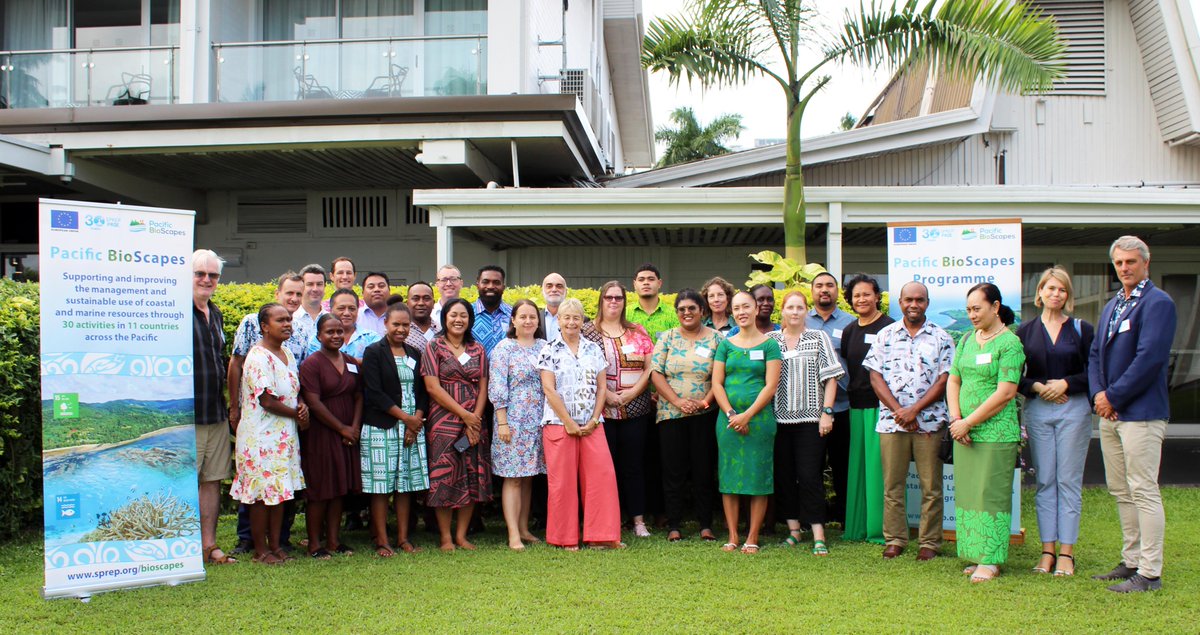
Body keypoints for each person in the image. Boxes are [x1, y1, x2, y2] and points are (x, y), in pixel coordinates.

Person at [1089, 236, 1176, 593]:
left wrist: (1113, 396)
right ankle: (1132, 561)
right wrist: (1098, 394)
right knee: (1121, 489)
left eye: (1131, 262)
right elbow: (1096, 354)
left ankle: (1150, 573)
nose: (1124, 268)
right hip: (1110, 414)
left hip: (1140, 412)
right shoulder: (1113, 305)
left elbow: (1150, 359)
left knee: (1143, 489)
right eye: (1119, 263)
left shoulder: (1158, 303)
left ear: (1145, 262)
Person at [864, 281, 954, 561]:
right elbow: (875, 376)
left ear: (927, 303)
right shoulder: (885, 335)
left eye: (920, 300)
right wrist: (899, 411)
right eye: (908, 300)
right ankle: (895, 539)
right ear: (900, 302)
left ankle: (929, 542)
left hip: (929, 423)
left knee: (931, 486)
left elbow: (944, 380)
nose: (914, 304)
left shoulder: (942, 338)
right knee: (893, 485)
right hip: (892, 423)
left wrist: (914, 410)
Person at [1017, 267, 1095, 577]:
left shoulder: (1081, 329)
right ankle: (1047, 550)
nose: (1056, 294)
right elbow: (1013, 377)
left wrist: (1065, 384)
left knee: (1068, 481)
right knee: (1046, 480)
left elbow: (1094, 371)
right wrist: (1036, 387)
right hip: (1038, 410)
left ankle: (1067, 552)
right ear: (1039, 294)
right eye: (1050, 288)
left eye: (1061, 289)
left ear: (1068, 295)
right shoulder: (1024, 332)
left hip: (1073, 409)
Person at [228, 271, 311, 555]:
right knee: (262, 496)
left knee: (280, 492)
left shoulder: (287, 354)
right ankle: (260, 549)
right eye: (280, 320)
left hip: (284, 435)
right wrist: (295, 413)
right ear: (264, 326)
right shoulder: (257, 356)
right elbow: (266, 400)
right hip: (261, 435)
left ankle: (276, 545)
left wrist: (301, 407)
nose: (287, 324)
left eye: (289, 320)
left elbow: (291, 391)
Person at [947, 283, 1025, 583]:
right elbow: (954, 380)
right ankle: (977, 554)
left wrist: (970, 422)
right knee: (969, 495)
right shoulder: (967, 339)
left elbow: (1006, 392)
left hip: (996, 433)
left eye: (977, 308)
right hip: (964, 431)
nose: (971, 315)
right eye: (968, 310)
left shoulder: (1009, 344)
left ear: (995, 307)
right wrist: (957, 419)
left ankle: (991, 560)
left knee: (990, 495)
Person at [537, 298, 623, 550]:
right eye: (566, 317)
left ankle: (602, 536)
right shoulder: (548, 350)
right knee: (562, 483)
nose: (571, 322)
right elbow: (548, 389)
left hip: (592, 424)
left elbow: (601, 388)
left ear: (582, 321)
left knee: (602, 478)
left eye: (576, 317)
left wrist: (595, 418)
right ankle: (564, 539)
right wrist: (568, 422)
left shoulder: (593, 350)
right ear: (559, 321)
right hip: (558, 424)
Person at [769, 291, 844, 555]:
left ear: (806, 311)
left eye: (800, 307)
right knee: (784, 476)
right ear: (783, 311)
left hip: (811, 419)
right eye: (790, 307)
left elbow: (831, 378)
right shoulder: (771, 340)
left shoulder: (818, 337)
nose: (795, 312)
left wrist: (827, 411)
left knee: (810, 476)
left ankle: (818, 534)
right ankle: (793, 531)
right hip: (777, 420)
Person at [582, 281, 656, 537]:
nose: (613, 302)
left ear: (625, 302)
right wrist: (608, 396)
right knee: (603, 468)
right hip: (600, 412)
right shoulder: (586, 332)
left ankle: (637, 520)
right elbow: (581, 370)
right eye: (609, 297)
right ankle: (608, 521)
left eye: (619, 298)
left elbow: (651, 366)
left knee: (634, 466)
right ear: (601, 301)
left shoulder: (637, 330)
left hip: (635, 410)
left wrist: (634, 393)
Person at [712, 291, 781, 554]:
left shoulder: (769, 344)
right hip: (727, 421)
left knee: (758, 477)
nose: (741, 312)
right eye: (737, 308)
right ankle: (732, 535)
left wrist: (747, 415)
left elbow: (771, 385)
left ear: (755, 310)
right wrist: (731, 414)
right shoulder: (726, 345)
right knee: (729, 476)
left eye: (746, 307)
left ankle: (752, 536)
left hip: (759, 421)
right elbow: (717, 383)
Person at [651, 289, 722, 542]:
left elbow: (720, 377)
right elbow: (656, 373)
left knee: (704, 470)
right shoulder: (667, 338)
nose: (687, 313)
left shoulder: (716, 339)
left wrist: (704, 402)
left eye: (692, 308)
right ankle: (674, 525)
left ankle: (705, 525)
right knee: (673, 471)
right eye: (681, 309)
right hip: (671, 414)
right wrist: (678, 401)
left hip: (705, 413)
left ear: (702, 311)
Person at [421, 298, 491, 551]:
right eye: (453, 315)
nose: (458, 319)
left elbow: (484, 386)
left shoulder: (477, 349)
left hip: (474, 423)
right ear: (445, 318)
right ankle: (445, 537)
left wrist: (475, 419)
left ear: (470, 319)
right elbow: (432, 387)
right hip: (444, 422)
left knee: (471, 477)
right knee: (445, 477)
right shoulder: (434, 346)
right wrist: (464, 414)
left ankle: (461, 535)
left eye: (463, 315)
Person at [361, 303, 430, 556]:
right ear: (385, 324)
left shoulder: (414, 353)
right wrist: (406, 419)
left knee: (406, 486)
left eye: (405, 325)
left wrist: (416, 420)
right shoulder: (374, 352)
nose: (401, 329)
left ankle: (403, 538)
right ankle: (382, 540)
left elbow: (422, 391)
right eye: (396, 324)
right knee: (381, 487)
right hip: (382, 427)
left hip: (412, 427)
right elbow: (374, 393)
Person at [298, 314, 363, 558]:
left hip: (348, 432)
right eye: (330, 332)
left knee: (339, 488)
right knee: (320, 489)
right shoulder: (311, 364)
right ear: (319, 336)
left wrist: (353, 427)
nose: (336, 336)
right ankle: (315, 544)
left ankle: (335, 541)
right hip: (322, 433)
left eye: (339, 332)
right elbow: (313, 402)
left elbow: (358, 395)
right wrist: (341, 428)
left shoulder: (350, 362)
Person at [488, 299, 548, 550]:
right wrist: (502, 422)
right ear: (513, 320)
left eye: (532, 316)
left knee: (528, 477)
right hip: (512, 420)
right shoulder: (505, 348)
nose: (527, 321)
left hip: (538, 421)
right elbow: (497, 386)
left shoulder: (545, 347)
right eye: (522, 316)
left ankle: (524, 528)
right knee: (512, 478)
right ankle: (512, 532)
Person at [840, 274, 894, 544]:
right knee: (858, 469)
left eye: (866, 294)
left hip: (881, 408)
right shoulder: (850, 330)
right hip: (855, 407)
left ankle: (878, 530)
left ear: (877, 297)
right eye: (856, 295)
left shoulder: (889, 327)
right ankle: (857, 527)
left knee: (877, 471)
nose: (861, 299)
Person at [191, 249, 236, 565]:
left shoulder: (215, 313)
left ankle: (209, 545)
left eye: (213, 275)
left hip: (215, 411)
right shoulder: (173, 313)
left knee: (212, 479)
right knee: (184, 480)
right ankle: (184, 546)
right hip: (184, 415)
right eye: (200, 274)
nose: (207, 280)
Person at [808, 271, 854, 525]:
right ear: (812, 291)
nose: (824, 290)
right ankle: (815, 516)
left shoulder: (851, 323)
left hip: (843, 405)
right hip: (811, 409)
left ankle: (844, 515)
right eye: (819, 286)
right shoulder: (801, 321)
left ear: (837, 291)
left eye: (829, 285)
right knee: (811, 467)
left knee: (842, 464)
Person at [309, 289, 380, 359]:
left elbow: (377, 364)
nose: (347, 313)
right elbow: (318, 364)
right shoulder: (318, 339)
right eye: (341, 308)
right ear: (331, 310)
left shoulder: (371, 338)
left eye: (352, 309)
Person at [627, 263, 679, 343]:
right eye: (641, 279)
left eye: (651, 279)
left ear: (659, 283)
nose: (646, 283)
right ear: (634, 284)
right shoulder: (625, 314)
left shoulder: (674, 314)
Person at [473, 265, 512, 356]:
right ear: (478, 285)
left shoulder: (514, 314)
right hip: (474, 369)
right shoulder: (467, 313)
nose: (490, 286)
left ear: (503, 287)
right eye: (485, 282)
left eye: (496, 282)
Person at [295, 263, 329, 337]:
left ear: (324, 286)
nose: (315, 289)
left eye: (319, 284)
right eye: (310, 284)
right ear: (301, 286)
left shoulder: (330, 319)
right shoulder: (291, 318)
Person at [357, 271, 391, 336]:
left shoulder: (399, 316)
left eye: (381, 286)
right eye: (371, 287)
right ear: (362, 293)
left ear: (389, 291)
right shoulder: (355, 317)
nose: (376, 289)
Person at [405, 281, 439, 346]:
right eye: (416, 299)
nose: (421, 303)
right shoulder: (398, 331)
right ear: (407, 303)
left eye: (426, 299)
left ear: (433, 303)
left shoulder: (441, 330)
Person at [430, 263, 464, 328]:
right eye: (444, 280)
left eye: (453, 279)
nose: (448, 284)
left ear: (461, 283)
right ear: (437, 285)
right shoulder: (430, 313)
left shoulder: (469, 311)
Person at [541, 272, 568, 341]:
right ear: (542, 291)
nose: (554, 290)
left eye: (559, 286)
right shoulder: (535, 318)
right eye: (549, 286)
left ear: (566, 292)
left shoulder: (581, 320)